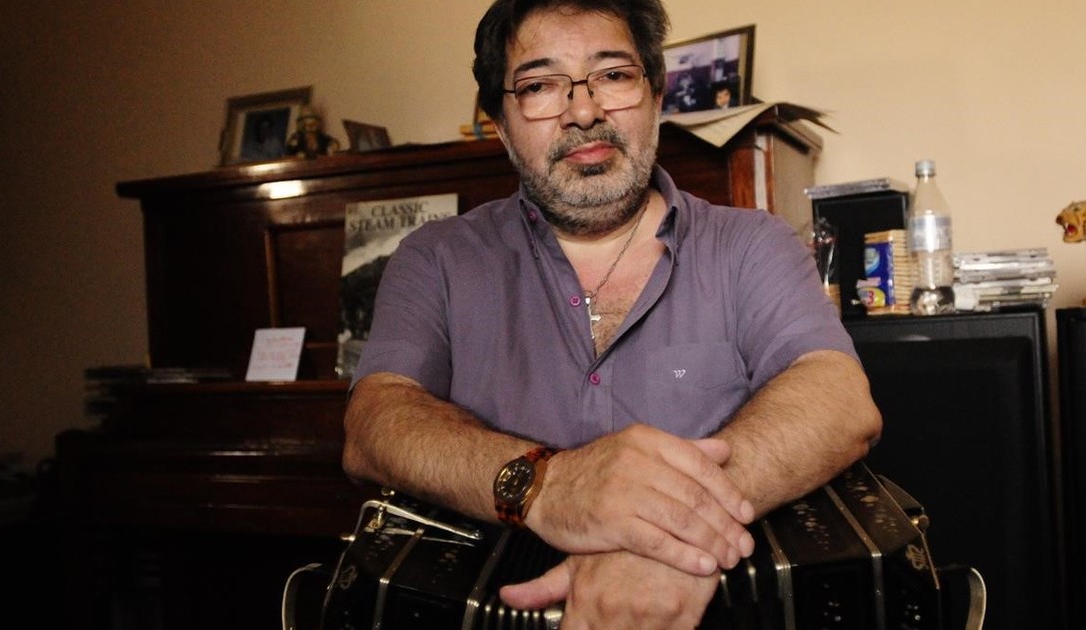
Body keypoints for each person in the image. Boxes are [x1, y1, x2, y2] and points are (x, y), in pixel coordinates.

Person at [341, 0, 882, 627]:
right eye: (540, 87)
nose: (584, 111)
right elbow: (374, 423)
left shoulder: (752, 244)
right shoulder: (435, 258)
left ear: (656, 98)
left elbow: (839, 399)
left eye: (614, 75)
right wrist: (551, 484)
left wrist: (668, 533)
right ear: (501, 126)